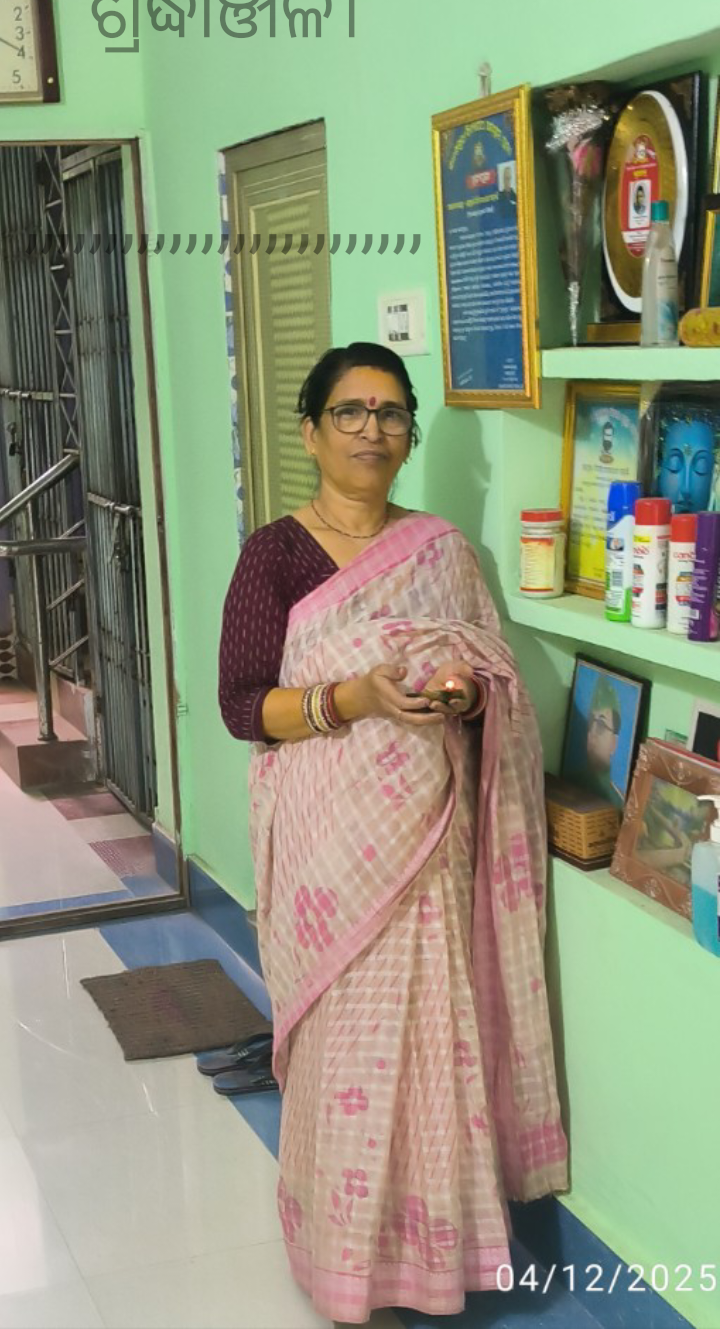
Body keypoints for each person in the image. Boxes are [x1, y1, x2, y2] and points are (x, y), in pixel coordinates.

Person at [218, 342, 568, 1324]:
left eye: (390, 413)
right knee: (345, 1050)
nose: (372, 429)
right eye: (350, 411)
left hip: (428, 838)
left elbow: (488, 679)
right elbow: (242, 704)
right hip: (328, 850)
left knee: (429, 1041)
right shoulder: (274, 555)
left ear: (409, 434)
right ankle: (343, 1264)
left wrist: (461, 690)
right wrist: (351, 698)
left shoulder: (443, 552)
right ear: (310, 432)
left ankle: (432, 1255)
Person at [583, 675, 623, 805]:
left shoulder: (616, 803)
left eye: (601, 725)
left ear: (614, 743)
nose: (592, 732)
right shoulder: (568, 782)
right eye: (591, 721)